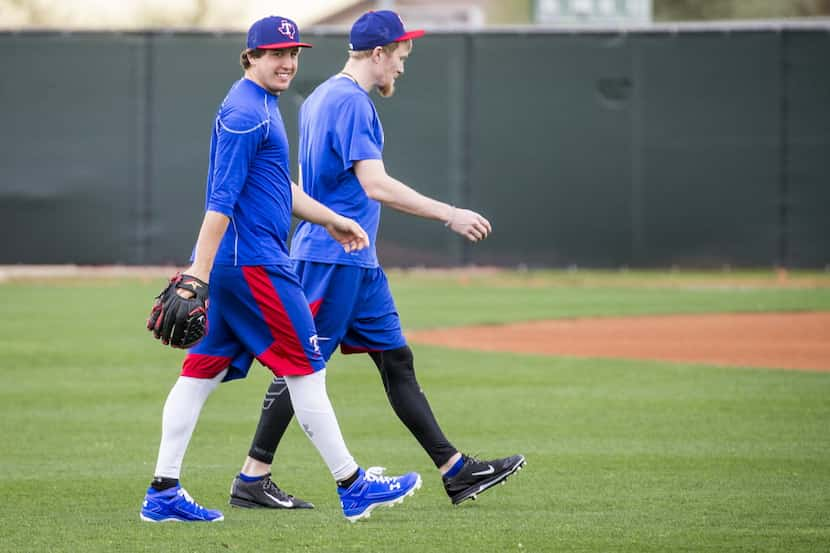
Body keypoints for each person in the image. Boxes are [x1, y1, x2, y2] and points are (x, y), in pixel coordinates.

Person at [228, 10, 525, 512]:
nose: (402, 69)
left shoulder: (322, 95)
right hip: (332, 259)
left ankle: (455, 470)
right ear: (378, 53)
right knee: (301, 368)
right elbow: (375, 184)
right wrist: (449, 214)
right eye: (401, 58)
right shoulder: (351, 102)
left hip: (356, 262)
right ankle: (253, 477)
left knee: (396, 360)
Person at [139, 15, 421, 524]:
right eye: (275, 54)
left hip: (239, 264)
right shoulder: (246, 112)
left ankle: (163, 490)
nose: (287, 62)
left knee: (198, 375)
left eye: (293, 53)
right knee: (306, 369)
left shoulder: (260, 105)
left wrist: (333, 219)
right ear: (250, 57)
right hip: (255, 267)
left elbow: (276, 186)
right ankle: (353, 485)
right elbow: (220, 202)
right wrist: (195, 275)